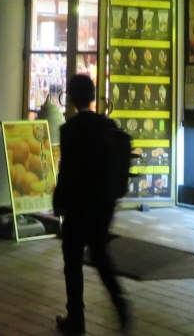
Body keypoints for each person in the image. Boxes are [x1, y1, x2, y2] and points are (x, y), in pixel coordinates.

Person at [52, 74, 129, 334]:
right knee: (99, 253)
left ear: (71, 98)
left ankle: (76, 318)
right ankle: (119, 301)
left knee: (73, 259)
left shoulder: (70, 129)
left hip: (79, 205)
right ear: (93, 98)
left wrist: (59, 201)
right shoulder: (107, 125)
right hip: (104, 203)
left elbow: (67, 171)